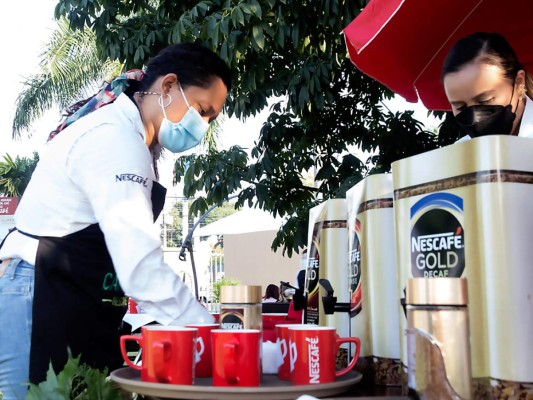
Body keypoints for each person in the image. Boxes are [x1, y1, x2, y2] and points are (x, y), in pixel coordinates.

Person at [0, 42, 231, 399]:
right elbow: (137, 261)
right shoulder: (115, 139)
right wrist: (206, 331)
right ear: (168, 86)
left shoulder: (134, 140)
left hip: (77, 297)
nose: (201, 127)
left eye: (210, 119)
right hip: (40, 293)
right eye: (202, 111)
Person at [441, 32, 533, 140]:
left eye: (485, 100)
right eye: (460, 107)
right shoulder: (459, 153)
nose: (475, 118)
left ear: (518, 83)